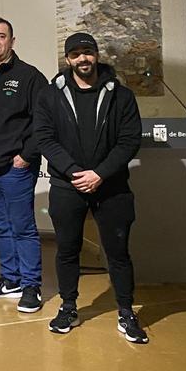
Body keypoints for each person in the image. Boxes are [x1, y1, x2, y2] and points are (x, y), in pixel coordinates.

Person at [34, 32, 146, 343]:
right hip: (67, 185)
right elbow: (44, 138)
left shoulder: (121, 96)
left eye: (88, 52)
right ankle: (68, 306)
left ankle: (126, 311)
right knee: (68, 250)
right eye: (76, 54)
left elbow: (128, 142)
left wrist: (99, 173)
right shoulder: (49, 95)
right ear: (67, 59)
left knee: (118, 253)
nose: (83, 58)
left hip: (112, 186)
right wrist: (73, 172)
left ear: (96, 55)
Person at [0, 18, 45, 314]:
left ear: (12, 41)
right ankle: (10, 279)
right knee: (0, 227)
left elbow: (43, 122)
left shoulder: (29, 76)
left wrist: (25, 155)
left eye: (2, 36)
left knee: (23, 228)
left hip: (15, 167)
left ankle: (31, 286)